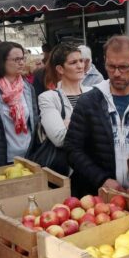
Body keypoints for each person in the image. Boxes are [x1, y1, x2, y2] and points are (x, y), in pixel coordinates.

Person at [65, 36, 129, 197]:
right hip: (98, 196)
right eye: (111, 66)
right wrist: (102, 179)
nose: (117, 73)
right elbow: (72, 149)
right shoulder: (89, 101)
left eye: (124, 67)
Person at [37, 43, 91, 174]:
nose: (80, 66)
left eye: (81, 61)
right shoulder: (48, 97)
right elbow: (60, 139)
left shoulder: (93, 92)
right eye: (73, 63)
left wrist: (69, 123)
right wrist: (90, 124)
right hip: (69, 170)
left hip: (94, 167)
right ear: (60, 69)